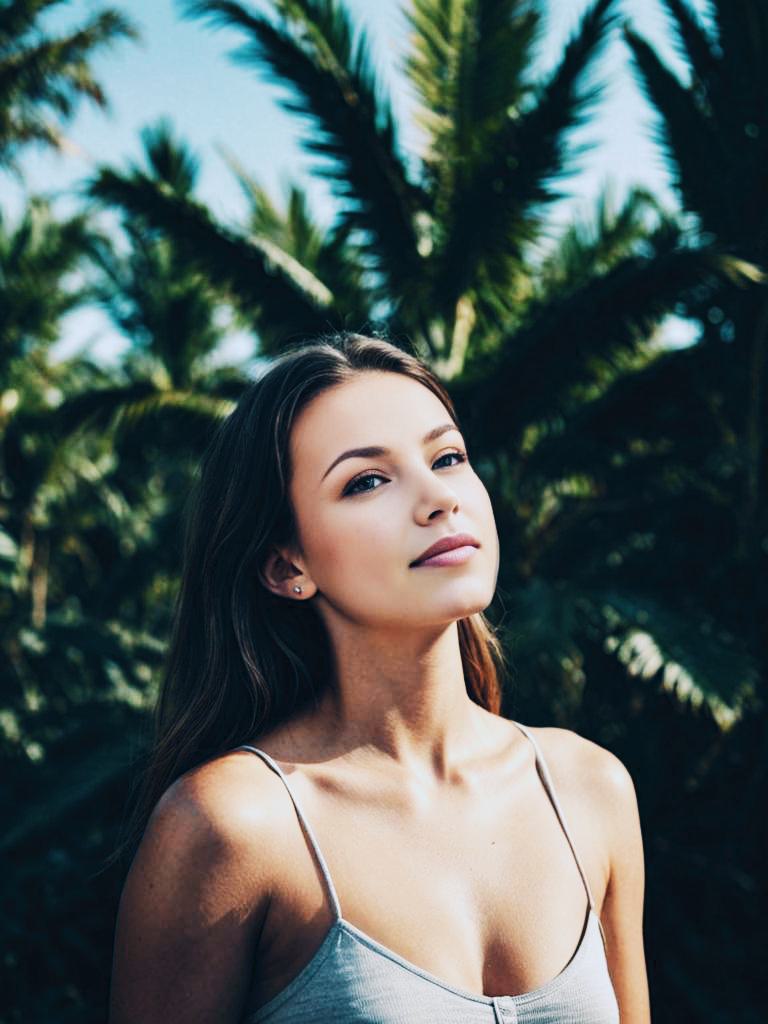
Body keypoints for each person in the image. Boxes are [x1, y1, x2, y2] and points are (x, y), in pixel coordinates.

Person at [108, 332, 650, 1023]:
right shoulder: (233, 827)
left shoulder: (589, 790)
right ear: (288, 566)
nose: (437, 499)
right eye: (367, 481)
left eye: (447, 457)